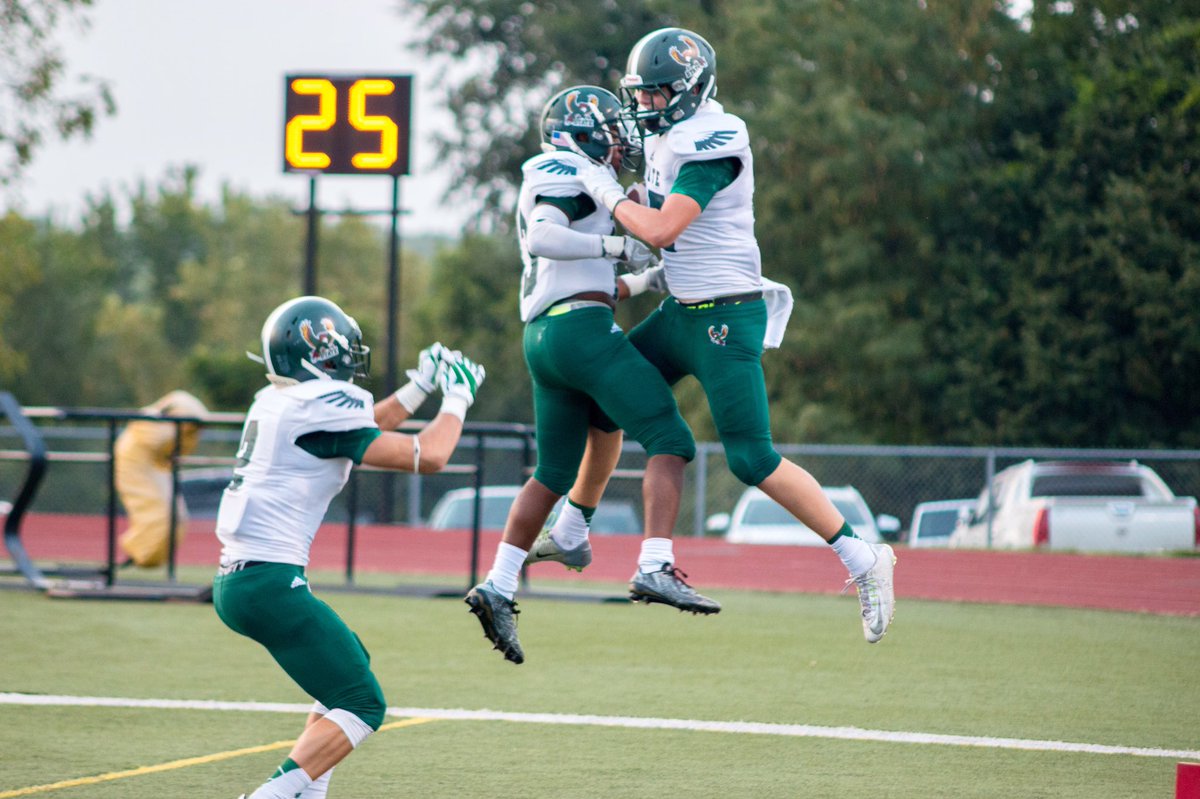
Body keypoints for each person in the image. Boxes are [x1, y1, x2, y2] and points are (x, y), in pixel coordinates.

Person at [574, 27, 897, 643]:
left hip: (725, 317)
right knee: (602, 399)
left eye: (657, 94)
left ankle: (864, 558)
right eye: (641, 96)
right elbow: (679, 249)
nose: (646, 108)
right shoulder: (673, 136)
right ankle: (576, 529)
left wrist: (604, 190)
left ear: (692, 90)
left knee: (752, 458)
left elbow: (666, 228)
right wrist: (640, 286)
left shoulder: (713, 138)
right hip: (682, 311)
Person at [464, 84, 714, 667]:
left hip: (546, 336)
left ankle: (500, 584)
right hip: (578, 334)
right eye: (611, 126)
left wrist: (644, 277)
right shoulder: (567, 171)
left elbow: (595, 282)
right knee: (671, 440)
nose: (621, 136)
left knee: (552, 470)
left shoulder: (574, 175)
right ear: (583, 131)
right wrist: (616, 246)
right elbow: (545, 235)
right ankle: (654, 563)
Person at [214, 295, 485, 799]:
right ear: (318, 350)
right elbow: (430, 456)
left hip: (245, 580)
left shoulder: (278, 401)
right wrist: (457, 398)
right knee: (363, 702)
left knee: (346, 669)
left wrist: (420, 387)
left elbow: (361, 430)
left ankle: (309, 794)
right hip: (268, 582)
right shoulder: (317, 407)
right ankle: (269, 797)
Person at [114, 389, 209, 568]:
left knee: (174, 517)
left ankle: (141, 553)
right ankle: (140, 552)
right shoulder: (155, 427)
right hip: (141, 464)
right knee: (160, 515)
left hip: (151, 464)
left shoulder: (164, 421)